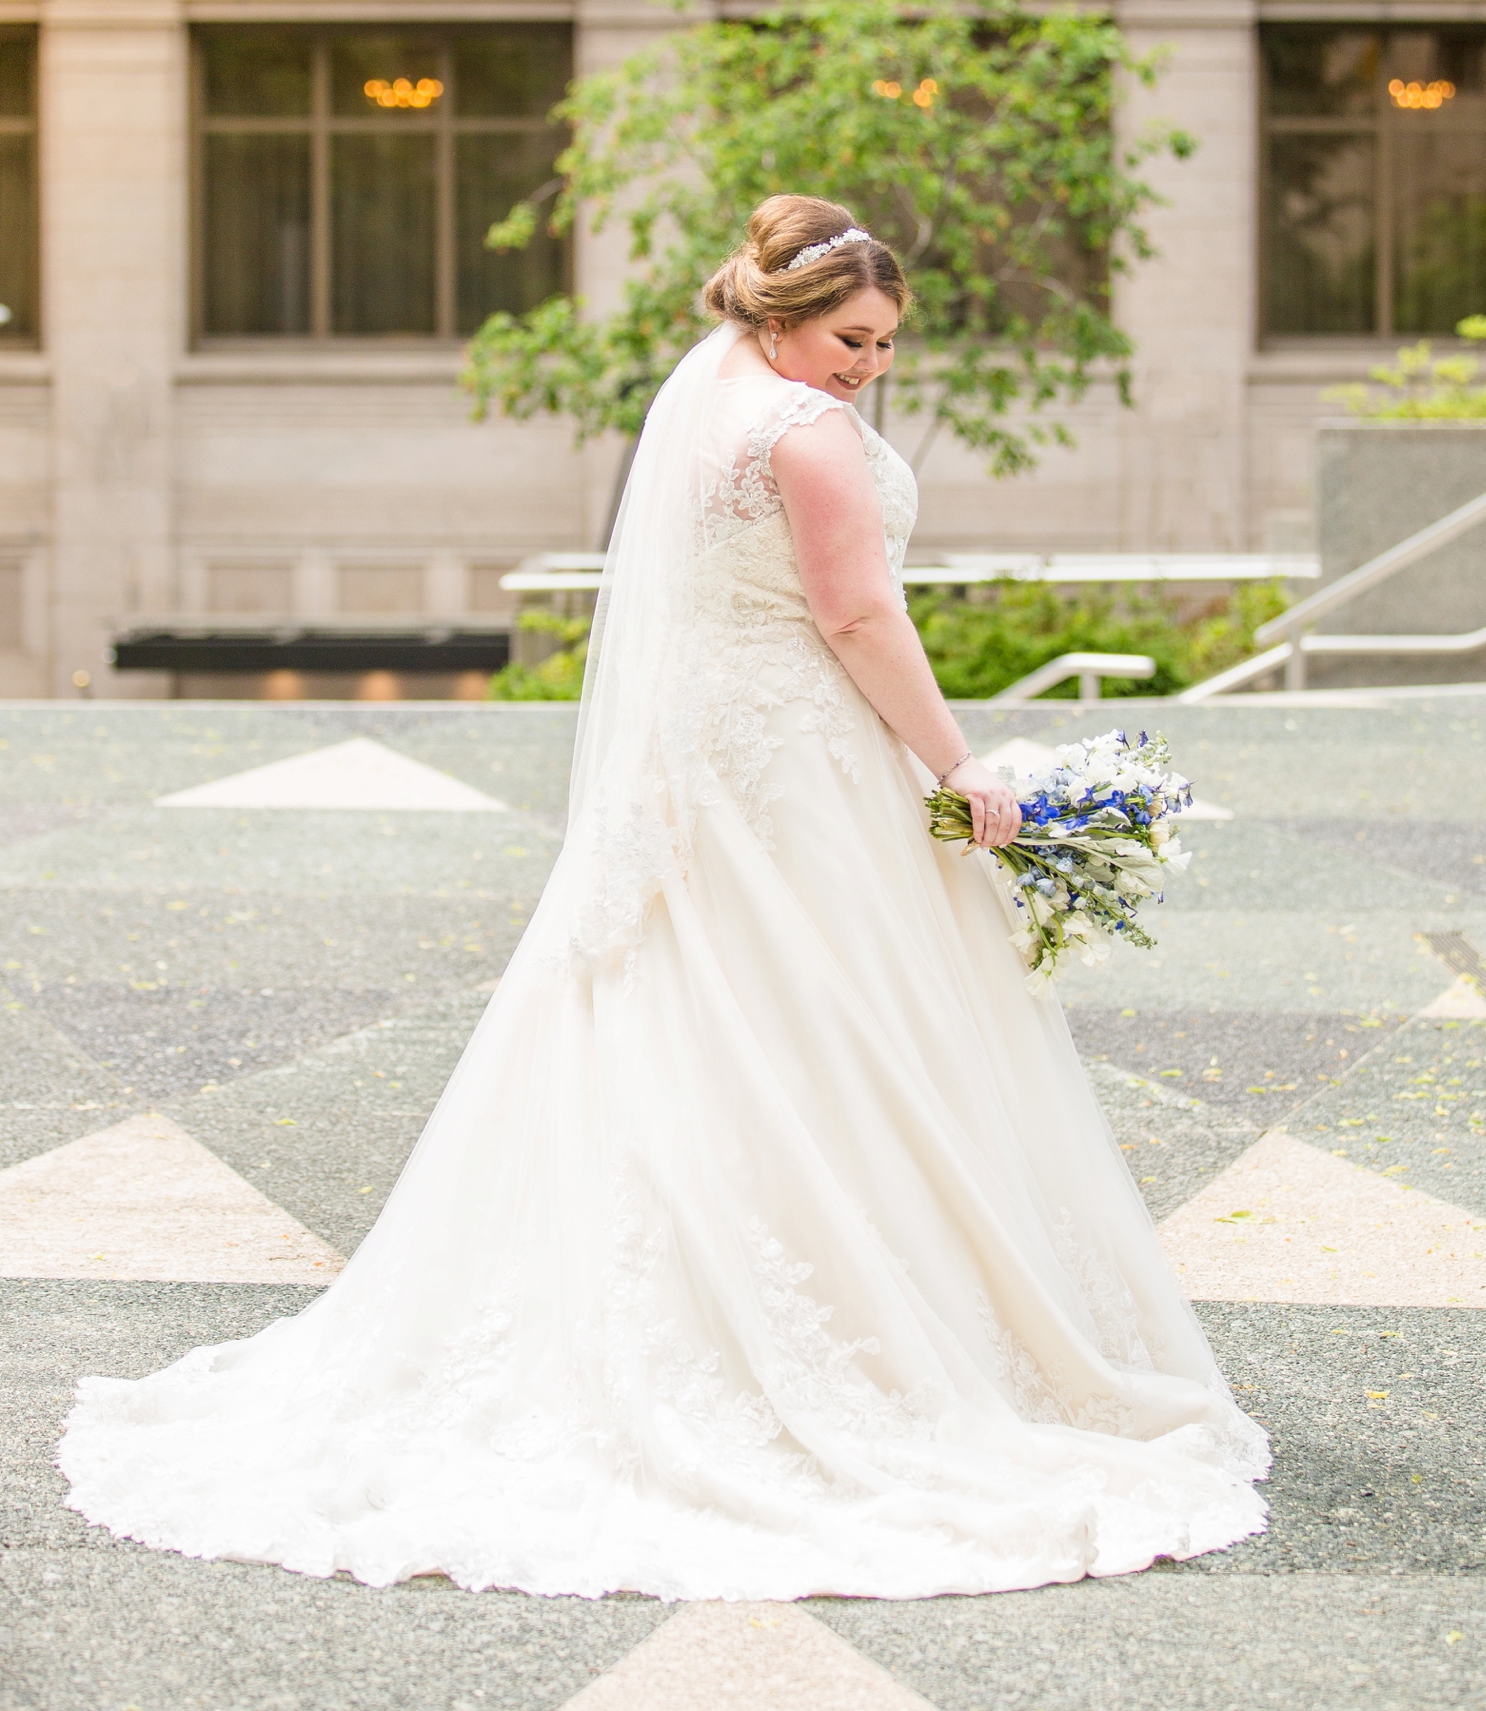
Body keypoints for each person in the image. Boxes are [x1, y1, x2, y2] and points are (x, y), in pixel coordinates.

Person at [60, 195, 1267, 1599]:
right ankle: (843, 1338)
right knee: (828, 1022)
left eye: (881, 343)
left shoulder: (710, 405)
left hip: (712, 756)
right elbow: (860, 614)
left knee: (714, 1012)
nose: (867, 364)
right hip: (794, 766)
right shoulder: (803, 432)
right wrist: (964, 766)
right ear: (780, 314)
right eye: (849, 335)